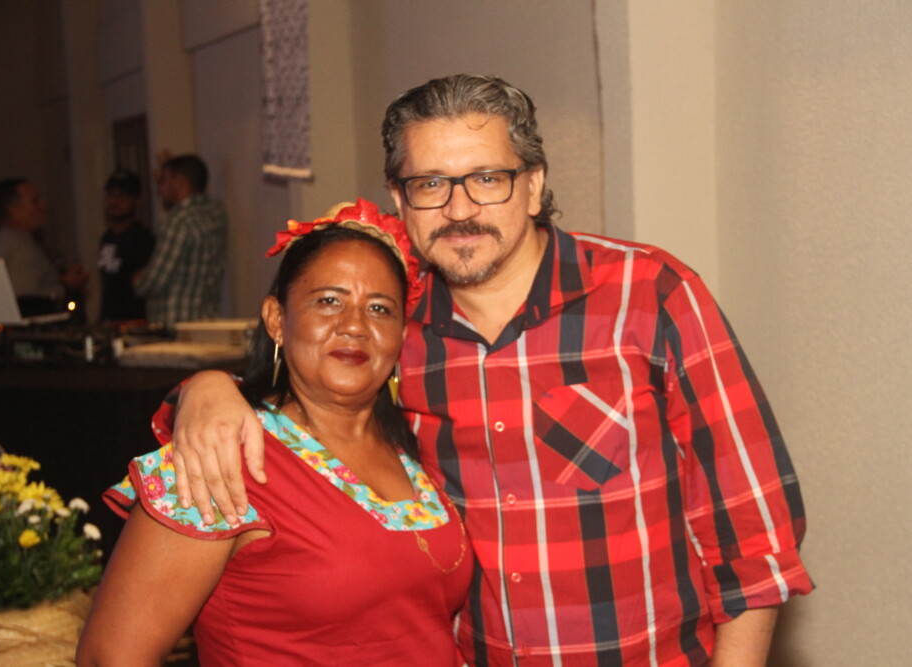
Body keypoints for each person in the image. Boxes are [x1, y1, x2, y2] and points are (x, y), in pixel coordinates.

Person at [167, 74, 813, 666]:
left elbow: (754, 536)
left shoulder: (648, 295)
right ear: (400, 200)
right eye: (430, 184)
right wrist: (207, 388)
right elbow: (294, 410)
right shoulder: (394, 332)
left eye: (487, 178)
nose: (459, 209)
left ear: (532, 186)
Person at [77, 199, 472, 665]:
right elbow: (111, 657)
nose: (355, 326)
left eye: (380, 309)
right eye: (329, 301)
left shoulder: (411, 443)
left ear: (402, 334)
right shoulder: (220, 454)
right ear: (277, 320)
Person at [133, 154, 227, 327]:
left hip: (176, 324)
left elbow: (155, 280)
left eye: (163, 181)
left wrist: (138, 280)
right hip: (207, 320)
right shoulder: (216, 214)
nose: (159, 190)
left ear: (179, 182)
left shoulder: (178, 221)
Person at [0, 178, 88, 315]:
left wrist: (63, 280)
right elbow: (27, 298)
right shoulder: (17, 247)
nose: (43, 206)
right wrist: (66, 285)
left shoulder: (16, 240)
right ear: (15, 209)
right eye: (35, 201)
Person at [97, 168, 154, 324]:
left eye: (122, 196)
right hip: (110, 321)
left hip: (135, 322)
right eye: (111, 195)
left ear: (136, 200)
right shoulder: (107, 238)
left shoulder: (143, 239)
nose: (115, 201)